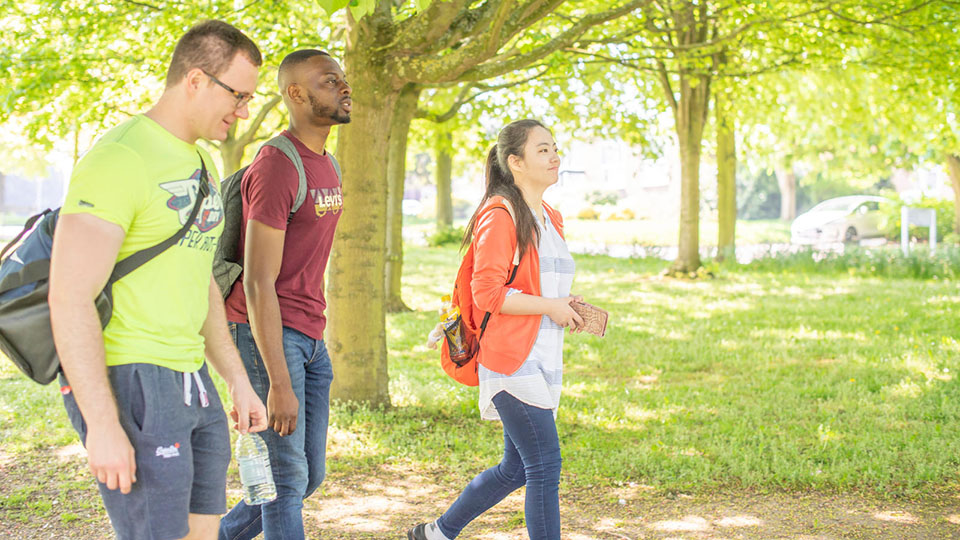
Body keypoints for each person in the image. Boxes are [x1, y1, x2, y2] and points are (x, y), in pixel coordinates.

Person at [48, 20, 268, 540]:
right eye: (237, 96)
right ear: (195, 80)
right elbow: (69, 296)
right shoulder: (120, 158)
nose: (242, 111)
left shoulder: (201, 162)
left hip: (193, 379)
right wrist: (102, 424)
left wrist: (236, 379)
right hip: (134, 378)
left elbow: (201, 280)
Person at [409, 119, 585, 540]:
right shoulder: (501, 215)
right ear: (515, 162)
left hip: (542, 355)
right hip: (510, 359)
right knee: (544, 464)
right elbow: (487, 294)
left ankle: (436, 532)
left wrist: (565, 305)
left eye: (555, 147)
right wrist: (549, 306)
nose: (554, 155)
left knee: (516, 467)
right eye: (542, 149)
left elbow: (536, 286)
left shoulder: (551, 218)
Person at [218, 49, 351, 540]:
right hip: (264, 334)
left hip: (310, 335)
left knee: (306, 476)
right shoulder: (277, 165)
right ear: (296, 94)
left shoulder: (328, 163)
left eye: (342, 79)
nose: (343, 87)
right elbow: (257, 281)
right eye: (329, 81)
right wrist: (277, 381)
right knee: (285, 480)